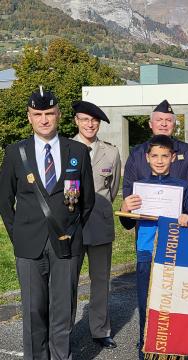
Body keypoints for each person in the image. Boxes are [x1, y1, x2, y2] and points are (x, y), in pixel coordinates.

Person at [0, 87, 95, 360]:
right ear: (29, 117)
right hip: (28, 245)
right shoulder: (16, 152)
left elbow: (85, 201)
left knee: (63, 311)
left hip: (66, 243)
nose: (44, 119)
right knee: (33, 311)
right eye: (38, 114)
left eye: (49, 113)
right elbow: (4, 201)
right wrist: (18, 234)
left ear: (59, 115)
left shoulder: (77, 150)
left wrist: (71, 229)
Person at [119, 135, 188, 360]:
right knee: (147, 306)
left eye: (164, 156)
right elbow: (127, 222)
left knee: (171, 308)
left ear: (173, 158)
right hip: (147, 255)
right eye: (154, 156)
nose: (159, 160)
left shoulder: (182, 187)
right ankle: (146, 352)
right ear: (147, 158)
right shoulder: (139, 188)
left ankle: (173, 352)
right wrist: (125, 207)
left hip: (173, 256)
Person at [72, 100, 121, 349]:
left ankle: (100, 330)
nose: (89, 124)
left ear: (98, 123)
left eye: (94, 120)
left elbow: (111, 190)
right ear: (76, 121)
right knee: (67, 281)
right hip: (71, 226)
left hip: (99, 224)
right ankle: (64, 329)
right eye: (84, 119)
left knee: (100, 280)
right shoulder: (64, 149)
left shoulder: (111, 152)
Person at [123, 99, 188, 197]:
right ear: (150, 124)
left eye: (168, 120)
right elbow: (128, 187)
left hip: (179, 211)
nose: (164, 124)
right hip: (144, 210)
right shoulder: (137, 153)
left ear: (174, 125)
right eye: (159, 120)